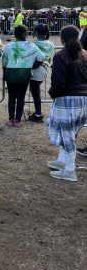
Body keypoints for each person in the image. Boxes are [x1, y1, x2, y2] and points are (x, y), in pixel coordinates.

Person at [46, 25, 87, 182]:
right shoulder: (85, 54)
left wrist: (53, 94)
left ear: (61, 40)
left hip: (67, 100)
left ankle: (70, 170)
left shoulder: (61, 56)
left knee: (67, 135)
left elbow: (57, 83)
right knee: (71, 133)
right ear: (78, 37)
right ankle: (62, 161)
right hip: (84, 100)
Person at [2, 24, 44, 127]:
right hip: (24, 73)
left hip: (11, 73)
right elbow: (41, 56)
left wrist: (5, 70)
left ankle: (10, 119)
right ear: (26, 34)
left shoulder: (9, 46)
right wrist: (32, 66)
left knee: (11, 96)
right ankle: (18, 120)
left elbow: (4, 61)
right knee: (21, 97)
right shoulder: (31, 46)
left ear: (15, 34)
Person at [28, 24, 55, 123]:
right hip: (45, 69)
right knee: (35, 90)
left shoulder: (36, 45)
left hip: (36, 70)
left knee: (35, 92)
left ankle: (38, 114)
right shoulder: (51, 43)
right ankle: (37, 113)